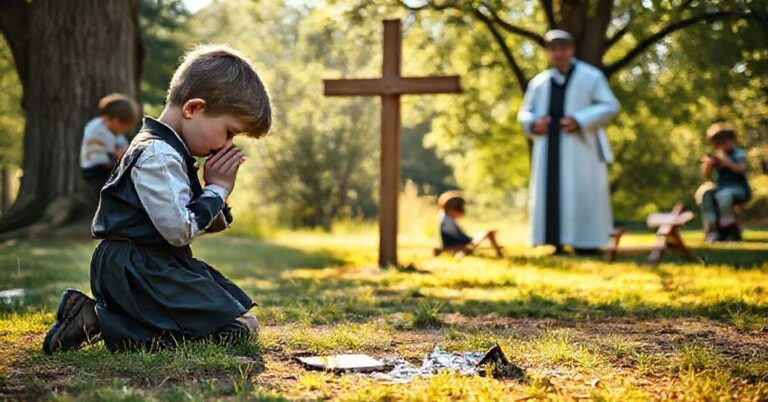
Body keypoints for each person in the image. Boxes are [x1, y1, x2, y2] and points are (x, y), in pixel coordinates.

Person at [43, 44, 272, 353]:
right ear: (193, 109)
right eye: (229, 132)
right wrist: (216, 189)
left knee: (239, 319)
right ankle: (99, 321)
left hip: (155, 263)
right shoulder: (157, 155)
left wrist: (216, 191)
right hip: (138, 268)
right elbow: (180, 231)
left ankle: (95, 317)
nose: (226, 145)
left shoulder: (171, 151)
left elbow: (199, 223)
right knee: (235, 328)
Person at [517, 30, 619, 255]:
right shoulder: (540, 82)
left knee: (580, 191)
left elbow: (610, 105)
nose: (558, 53)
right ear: (548, 53)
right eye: (553, 49)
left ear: (571, 50)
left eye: (562, 48)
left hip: (581, 150)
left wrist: (580, 120)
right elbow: (524, 112)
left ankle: (587, 242)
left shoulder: (591, 76)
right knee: (550, 192)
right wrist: (534, 123)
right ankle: (553, 240)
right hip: (548, 149)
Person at [695, 122, 751, 242]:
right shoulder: (717, 155)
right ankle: (712, 229)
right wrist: (708, 165)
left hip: (739, 189)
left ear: (732, 140)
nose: (720, 146)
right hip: (721, 188)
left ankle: (727, 226)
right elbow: (706, 176)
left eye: (723, 143)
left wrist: (726, 160)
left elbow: (740, 169)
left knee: (724, 195)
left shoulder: (738, 153)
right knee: (705, 192)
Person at [80, 94, 139, 196]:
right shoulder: (98, 130)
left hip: (106, 167)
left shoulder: (112, 131)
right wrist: (120, 158)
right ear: (116, 121)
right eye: (124, 128)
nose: (124, 131)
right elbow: (104, 155)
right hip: (96, 170)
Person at [434, 191, 504, 257]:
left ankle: (499, 251)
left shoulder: (447, 217)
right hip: (458, 246)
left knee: (488, 234)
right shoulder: (446, 220)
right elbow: (455, 237)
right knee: (488, 233)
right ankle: (499, 253)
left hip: (460, 244)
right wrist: (470, 241)